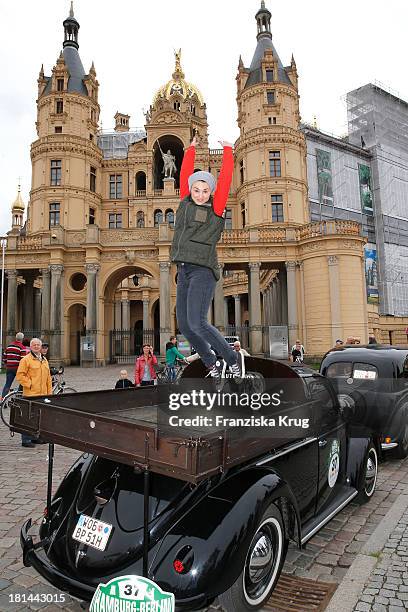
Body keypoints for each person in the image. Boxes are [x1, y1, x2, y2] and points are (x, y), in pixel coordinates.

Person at [170, 135, 244, 383]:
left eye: (205, 190)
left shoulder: (216, 207)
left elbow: (224, 179)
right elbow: (184, 174)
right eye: (196, 190)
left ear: (211, 192)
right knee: (185, 325)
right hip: (184, 269)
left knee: (198, 322)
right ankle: (211, 362)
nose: (200, 194)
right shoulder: (184, 202)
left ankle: (232, 359)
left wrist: (227, 150)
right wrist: (189, 150)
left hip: (203, 269)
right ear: (190, 190)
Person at [16, 338, 52, 448]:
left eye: (38, 345)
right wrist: (30, 384)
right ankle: (26, 439)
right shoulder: (26, 360)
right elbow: (20, 375)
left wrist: (49, 393)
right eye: (34, 345)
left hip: (42, 394)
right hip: (30, 393)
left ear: (40, 347)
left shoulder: (44, 360)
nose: (36, 346)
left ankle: (35, 438)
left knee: (38, 417)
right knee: (28, 417)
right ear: (30, 346)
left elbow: (48, 378)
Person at [1, 332, 26, 401]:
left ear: (16, 338)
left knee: (7, 384)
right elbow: (23, 360)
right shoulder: (22, 347)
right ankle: (19, 398)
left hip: (9, 368)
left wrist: (7, 363)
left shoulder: (9, 346)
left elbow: (4, 358)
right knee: (22, 384)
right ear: (22, 339)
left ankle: (3, 400)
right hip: (18, 369)